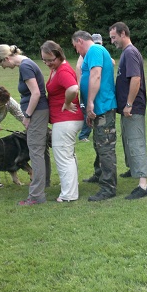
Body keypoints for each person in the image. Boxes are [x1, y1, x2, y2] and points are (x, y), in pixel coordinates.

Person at [0, 44, 51, 205]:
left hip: (37, 112)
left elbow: (36, 93)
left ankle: (36, 196)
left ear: (5, 58)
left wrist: (28, 115)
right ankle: (44, 184)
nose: (3, 68)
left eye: (1, 64)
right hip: (39, 111)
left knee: (35, 151)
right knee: (40, 150)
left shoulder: (25, 66)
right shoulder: (27, 64)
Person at [71, 31, 118, 202]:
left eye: (75, 47)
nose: (77, 51)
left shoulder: (95, 51)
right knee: (99, 144)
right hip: (98, 108)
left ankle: (108, 188)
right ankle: (99, 174)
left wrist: (90, 102)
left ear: (80, 41)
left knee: (105, 147)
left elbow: (96, 75)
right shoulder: (92, 53)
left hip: (102, 107)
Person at [109, 22, 147, 200]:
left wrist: (129, 104)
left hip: (133, 107)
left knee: (136, 142)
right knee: (127, 140)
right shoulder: (126, 53)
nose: (112, 41)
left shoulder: (131, 52)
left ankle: (143, 185)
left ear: (123, 33)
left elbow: (136, 79)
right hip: (128, 107)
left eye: (114, 37)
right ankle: (134, 169)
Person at [41, 40, 84, 203]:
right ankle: (71, 189)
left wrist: (66, 103)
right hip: (65, 120)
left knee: (63, 157)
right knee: (68, 155)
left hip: (66, 120)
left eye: (50, 59)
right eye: (44, 60)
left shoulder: (63, 70)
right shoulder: (57, 68)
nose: (47, 63)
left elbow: (73, 88)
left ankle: (69, 195)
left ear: (59, 55)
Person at [76, 33, 103, 143]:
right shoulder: (86, 53)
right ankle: (83, 135)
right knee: (87, 111)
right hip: (87, 89)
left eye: (99, 43)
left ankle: (94, 132)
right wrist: (79, 83)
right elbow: (79, 67)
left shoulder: (97, 51)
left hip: (93, 89)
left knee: (91, 111)